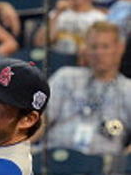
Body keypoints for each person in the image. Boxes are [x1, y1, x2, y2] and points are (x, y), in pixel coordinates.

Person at [44, 21, 131, 156]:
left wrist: (123, 163)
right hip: (53, 155)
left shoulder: (127, 89)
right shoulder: (65, 77)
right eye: (93, 47)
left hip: (102, 165)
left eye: (105, 47)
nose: (99, 53)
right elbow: (42, 119)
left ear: (119, 49)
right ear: (86, 50)